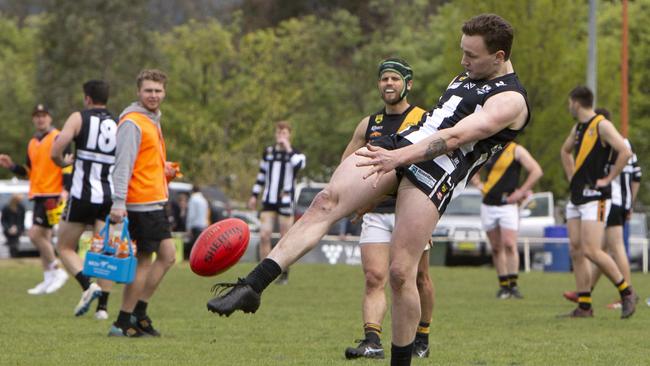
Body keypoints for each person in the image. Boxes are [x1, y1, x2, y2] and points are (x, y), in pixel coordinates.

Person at [208, 14, 529, 366]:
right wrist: (393, 157)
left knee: (400, 273)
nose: (463, 62)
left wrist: (396, 159)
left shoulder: (511, 101)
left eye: (471, 55)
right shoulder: (470, 74)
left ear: (499, 57)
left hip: (438, 172)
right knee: (325, 201)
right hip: (402, 143)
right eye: (462, 52)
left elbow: (455, 137)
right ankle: (253, 285)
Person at [340, 58, 434, 360]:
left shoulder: (424, 118)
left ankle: (422, 336)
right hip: (376, 213)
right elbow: (347, 165)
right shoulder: (369, 124)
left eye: (395, 79)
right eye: (384, 79)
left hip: (412, 210)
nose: (389, 84)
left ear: (408, 83)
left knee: (416, 278)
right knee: (374, 276)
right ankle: (372, 340)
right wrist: (345, 199)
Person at [108, 69, 178, 337]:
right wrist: (118, 202)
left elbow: (144, 161)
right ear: (138, 92)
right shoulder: (133, 122)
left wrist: (164, 170)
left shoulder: (152, 120)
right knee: (145, 261)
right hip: (140, 203)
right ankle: (123, 321)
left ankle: (138, 312)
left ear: (164, 92)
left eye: (158, 90)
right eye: (148, 90)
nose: (153, 95)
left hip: (155, 200)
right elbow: (122, 165)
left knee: (168, 256)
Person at [559, 86, 637, 318]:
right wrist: (572, 177)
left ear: (576, 102)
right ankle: (584, 306)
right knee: (576, 249)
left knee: (592, 250)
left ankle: (627, 292)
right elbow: (565, 152)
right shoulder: (578, 128)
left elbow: (624, 151)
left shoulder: (602, 124)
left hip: (596, 197)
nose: (568, 106)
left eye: (569, 102)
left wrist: (608, 179)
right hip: (577, 196)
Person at [50, 80, 116, 319]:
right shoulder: (118, 123)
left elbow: (56, 150)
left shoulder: (79, 117)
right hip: (108, 196)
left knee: (64, 246)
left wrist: (61, 163)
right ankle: (103, 309)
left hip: (82, 195)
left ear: (87, 98)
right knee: (104, 252)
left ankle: (89, 286)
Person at [0, 104, 70, 294]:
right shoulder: (33, 142)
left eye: (44, 115)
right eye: (37, 116)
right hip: (38, 193)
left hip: (52, 194)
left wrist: (66, 189)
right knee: (44, 237)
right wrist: (12, 166)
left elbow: (68, 164)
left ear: (50, 118)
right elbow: (29, 171)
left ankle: (57, 270)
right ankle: (48, 278)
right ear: (33, 119)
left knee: (35, 235)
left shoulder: (58, 137)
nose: (40, 119)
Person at [473, 141, 542, 299]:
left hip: (507, 205)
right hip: (488, 204)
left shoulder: (516, 150)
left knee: (509, 244)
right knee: (496, 248)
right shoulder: (489, 147)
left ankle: (513, 285)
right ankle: (503, 285)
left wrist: (521, 192)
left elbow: (536, 171)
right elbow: (473, 167)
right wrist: (477, 184)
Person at [247, 121, 306, 284]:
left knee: (284, 237)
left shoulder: (295, 153)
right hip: (269, 200)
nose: (281, 136)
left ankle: (284, 272)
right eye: (279, 133)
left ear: (289, 135)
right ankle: (263, 274)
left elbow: (299, 165)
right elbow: (261, 175)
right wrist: (254, 195)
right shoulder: (268, 152)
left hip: (285, 200)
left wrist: (287, 147)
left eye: (284, 133)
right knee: (264, 235)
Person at [186, 185, 209, 257]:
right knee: (202, 245)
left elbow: (191, 214)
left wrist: (188, 227)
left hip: (195, 226)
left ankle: (193, 258)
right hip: (203, 225)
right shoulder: (204, 200)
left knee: (195, 246)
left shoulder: (193, 199)